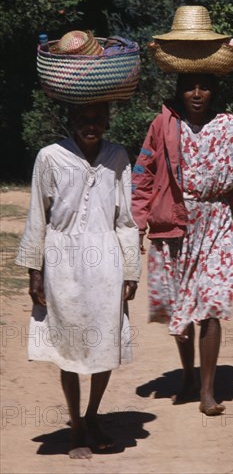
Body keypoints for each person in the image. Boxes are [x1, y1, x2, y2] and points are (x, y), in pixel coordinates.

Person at [16, 102, 140, 458]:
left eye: (98, 118)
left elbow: (126, 220)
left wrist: (130, 271)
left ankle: (91, 415)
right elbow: (37, 215)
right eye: (84, 118)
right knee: (67, 345)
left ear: (107, 120)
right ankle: (76, 427)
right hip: (62, 259)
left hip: (106, 260)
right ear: (70, 120)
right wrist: (35, 272)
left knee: (105, 341)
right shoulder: (50, 157)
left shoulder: (117, 156)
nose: (92, 124)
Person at [132, 73, 233, 415]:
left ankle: (207, 390)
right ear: (179, 90)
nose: (197, 94)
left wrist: (213, 195)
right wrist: (138, 222)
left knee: (212, 303)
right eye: (190, 86)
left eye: (205, 86)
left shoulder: (229, 126)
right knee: (180, 303)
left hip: (215, 222)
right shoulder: (163, 125)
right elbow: (143, 172)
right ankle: (187, 374)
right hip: (175, 221)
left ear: (215, 90)